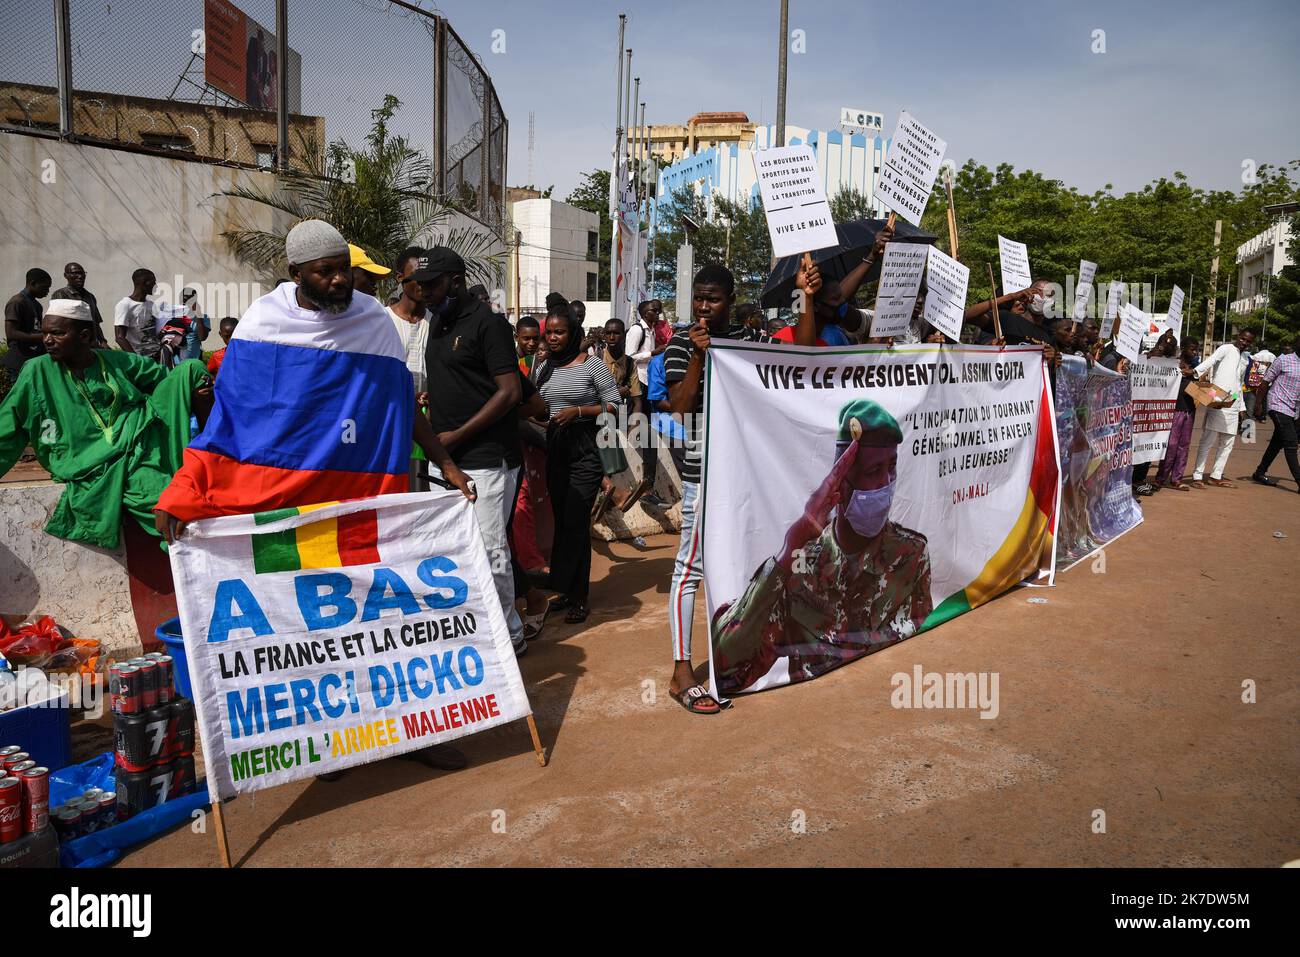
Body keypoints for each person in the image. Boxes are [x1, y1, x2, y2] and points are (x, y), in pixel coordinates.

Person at [154, 220, 472, 776]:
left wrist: (447, 465)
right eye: (325, 271)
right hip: (286, 515)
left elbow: (401, 406)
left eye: (343, 268)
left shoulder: (374, 323)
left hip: (362, 507)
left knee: (383, 624)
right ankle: (326, 740)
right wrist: (183, 491)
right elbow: (231, 425)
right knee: (306, 632)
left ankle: (411, 730)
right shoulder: (262, 325)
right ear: (295, 273)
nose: (339, 280)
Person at [713, 399, 932, 695]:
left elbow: (919, 638)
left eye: (891, 468)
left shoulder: (910, 555)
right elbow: (726, 666)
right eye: (873, 472)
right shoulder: (800, 568)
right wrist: (793, 543)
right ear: (840, 483)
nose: (886, 483)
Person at [0, 299, 209, 548]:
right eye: (45, 333)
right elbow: (7, 425)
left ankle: (214, 459)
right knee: (160, 497)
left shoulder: (116, 361)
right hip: (90, 461)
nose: (47, 340)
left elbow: (168, 380)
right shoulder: (36, 371)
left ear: (85, 335)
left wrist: (201, 387)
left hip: (139, 439)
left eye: (57, 333)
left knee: (194, 369)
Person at [415, 246, 529, 656]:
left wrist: (457, 435)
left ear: (456, 282)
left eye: (431, 285)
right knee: (452, 550)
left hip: (485, 459)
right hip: (445, 459)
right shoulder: (437, 322)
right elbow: (463, 379)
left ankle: (509, 635)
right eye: (418, 285)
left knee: (490, 549)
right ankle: (474, 631)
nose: (423, 292)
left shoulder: (489, 323)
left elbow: (510, 391)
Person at [662, 264, 752, 715]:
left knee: (742, 564)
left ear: (730, 300)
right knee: (690, 568)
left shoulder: (747, 339)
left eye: (712, 299)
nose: (702, 307)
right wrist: (701, 354)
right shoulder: (680, 342)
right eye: (698, 298)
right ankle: (681, 671)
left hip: (746, 473)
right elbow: (679, 407)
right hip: (705, 473)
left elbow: (801, 356)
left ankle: (733, 658)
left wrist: (808, 300)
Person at [531, 303, 622, 623]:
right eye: (549, 332)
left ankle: (580, 596)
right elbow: (537, 405)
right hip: (555, 450)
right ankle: (566, 589)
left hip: (586, 450)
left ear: (573, 334)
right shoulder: (542, 366)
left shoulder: (591, 365)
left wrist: (579, 412)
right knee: (562, 522)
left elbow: (615, 404)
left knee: (575, 520)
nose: (553, 338)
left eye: (560, 332)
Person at [591, 316, 651, 521]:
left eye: (616, 333)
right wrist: (618, 393)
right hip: (598, 412)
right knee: (603, 430)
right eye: (608, 333)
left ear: (623, 335)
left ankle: (649, 487)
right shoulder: (596, 359)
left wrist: (636, 420)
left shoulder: (630, 363)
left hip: (620, 412)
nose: (611, 337)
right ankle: (609, 490)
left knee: (646, 431)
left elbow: (637, 399)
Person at [387, 247, 432, 491]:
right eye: (416, 276)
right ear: (400, 278)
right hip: (391, 423)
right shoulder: (382, 321)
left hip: (429, 427)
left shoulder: (437, 324)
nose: (423, 283)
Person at [1190, 329, 1254, 489]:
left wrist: (1241, 408)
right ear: (1238, 337)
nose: (1244, 342)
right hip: (1217, 399)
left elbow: (1239, 384)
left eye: (1248, 341)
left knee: (1227, 442)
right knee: (1208, 440)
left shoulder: (1246, 358)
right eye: (1242, 338)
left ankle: (1216, 476)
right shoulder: (1226, 349)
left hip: (1232, 403)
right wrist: (1195, 372)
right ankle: (1197, 475)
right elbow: (1210, 361)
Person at [1250, 333, 1300, 493]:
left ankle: (1260, 472)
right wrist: (1258, 405)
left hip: (1294, 409)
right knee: (1291, 442)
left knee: (1277, 442)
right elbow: (1265, 382)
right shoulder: (1283, 360)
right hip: (1277, 405)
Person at [1155, 344, 1198, 491]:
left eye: (1196, 349)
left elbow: (1202, 387)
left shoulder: (1195, 368)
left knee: (1184, 446)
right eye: (1192, 349)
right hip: (1175, 411)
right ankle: (1160, 478)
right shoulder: (1173, 364)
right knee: (1171, 445)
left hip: (1189, 411)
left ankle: (1176, 479)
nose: (1195, 352)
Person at [4, 268, 52, 375]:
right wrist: (41, 336)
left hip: (32, 359)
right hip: (19, 361)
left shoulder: (37, 305)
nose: (47, 292)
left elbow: (36, 328)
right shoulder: (17, 302)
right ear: (33, 283)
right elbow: (11, 333)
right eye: (45, 287)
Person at [50, 262, 108, 347]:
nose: (80, 276)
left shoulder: (90, 297)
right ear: (65, 276)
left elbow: (95, 322)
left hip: (91, 346)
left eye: (82, 273)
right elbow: (57, 324)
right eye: (75, 273)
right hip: (72, 346)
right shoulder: (60, 295)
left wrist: (103, 341)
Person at [114, 269, 162, 361]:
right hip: (140, 358)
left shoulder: (152, 305)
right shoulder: (125, 305)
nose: (155, 285)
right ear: (143, 283)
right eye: (153, 282)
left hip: (157, 357)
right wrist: (137, 360)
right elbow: (120, 337)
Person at [179, 287, 210, 361]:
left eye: (189, 301)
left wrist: (198, 315)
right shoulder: (174, 316)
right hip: (176, 363)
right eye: (184, 301)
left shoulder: (204, 317)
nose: (186, 304)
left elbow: (202, 337)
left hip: (194, 362)